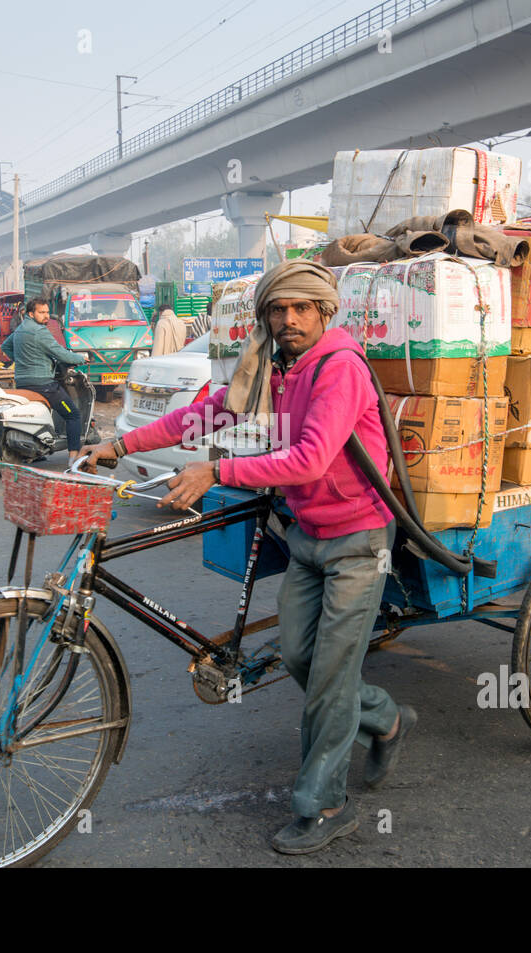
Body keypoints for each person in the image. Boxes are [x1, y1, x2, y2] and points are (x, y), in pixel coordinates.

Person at [79, 260, 413, 855]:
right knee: (298, 657)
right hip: (307, 531)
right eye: (277, 310)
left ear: (324, 311)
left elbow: (310, 459)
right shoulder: (272, 369)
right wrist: (119, 443)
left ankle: (325, 806)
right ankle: (386, 718)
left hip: (358, 540)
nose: (287, 320)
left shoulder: (339, 368)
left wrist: (216, 468)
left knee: (330, 678)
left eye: (300, 309)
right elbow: (200, 417)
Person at [0, 298, 85, 465]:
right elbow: (61, 353)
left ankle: (37, 450)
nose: (46, 316)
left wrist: (23, 360)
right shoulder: (39, 331)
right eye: (41, 312)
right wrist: (81, 358)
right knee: (73, 415)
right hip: (43, 384)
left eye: (47, 312)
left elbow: (5, 347)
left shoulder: (20, 329)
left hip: (23, 383)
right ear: (31, 314)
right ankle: (73, 457)